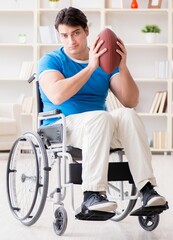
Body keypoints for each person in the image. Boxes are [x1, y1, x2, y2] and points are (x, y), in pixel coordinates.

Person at [38, 7, 166, 213]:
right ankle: (92, 194)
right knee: (101, 117)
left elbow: (130, 100)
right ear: (59, 36)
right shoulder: (51, 60)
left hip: (100, 127)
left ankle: (147, 189)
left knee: (127, 115)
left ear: (86, 31)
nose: (71, 41)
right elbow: (57, 94)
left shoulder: (105, 62)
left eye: (76, 33)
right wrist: (90, 67)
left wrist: (122, 66)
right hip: (63, 128)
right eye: (64, 35)